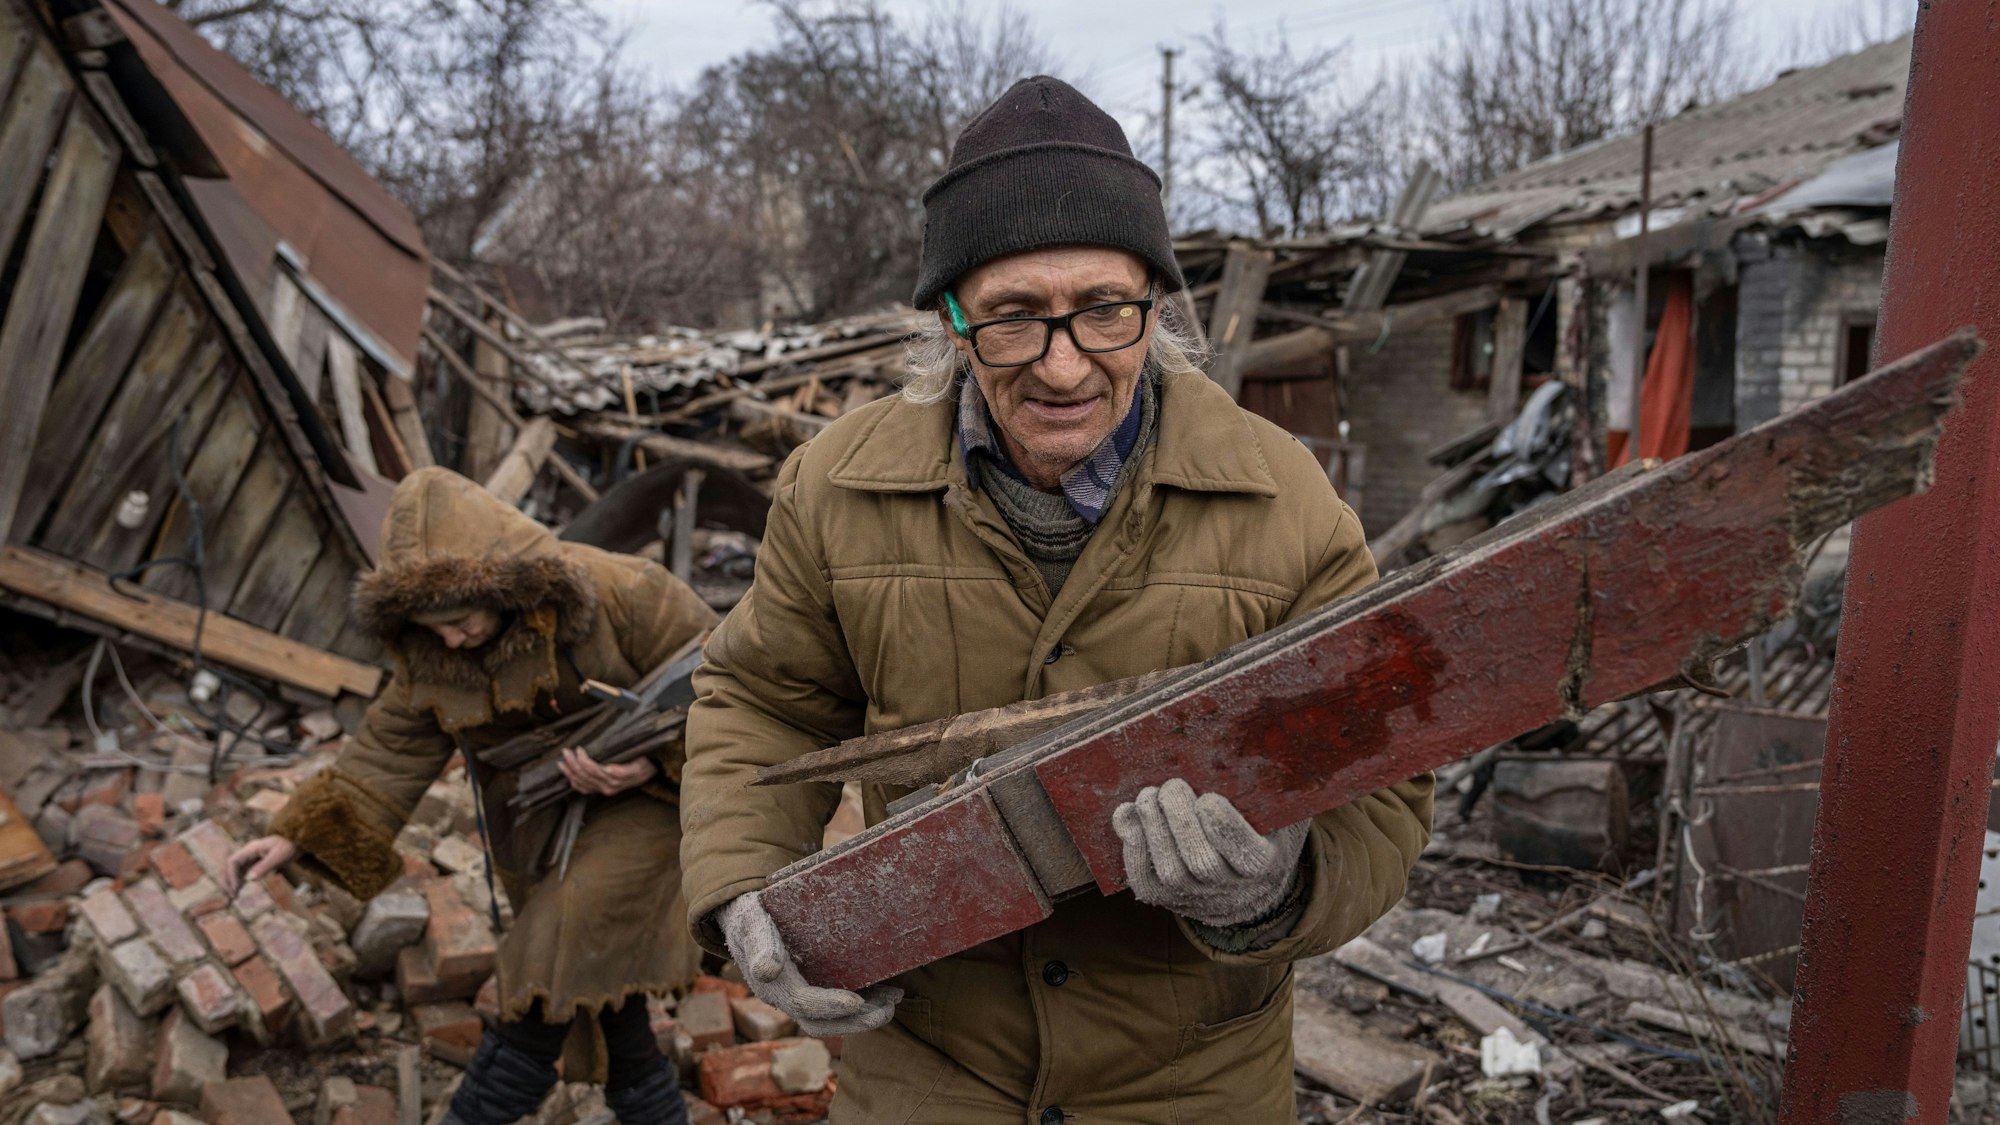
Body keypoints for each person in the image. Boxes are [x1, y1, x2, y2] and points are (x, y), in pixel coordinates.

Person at [678, 76, 1435, 1124]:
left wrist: (1276, 888)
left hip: (1190, 1081)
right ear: (952, 320)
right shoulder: (837, 487)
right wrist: (744, 884)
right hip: (931, 1070)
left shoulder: (1285, 500)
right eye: (1013, 317)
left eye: (1103, 310)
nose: (1064, 366)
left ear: (1155, 305)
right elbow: (763, 703)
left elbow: (1382, 783)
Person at [224, 467, 714, 1125]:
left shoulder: (625, 593)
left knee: (553, 947)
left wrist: (651, 761)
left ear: (504, 584)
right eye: (434, 628)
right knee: (596, 985)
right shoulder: (434, 650)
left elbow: (735, 685)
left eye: (460, 619)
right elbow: (391, 746)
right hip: (540, 821)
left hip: (652, 804)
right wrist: (292, 836)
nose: (451, 639)